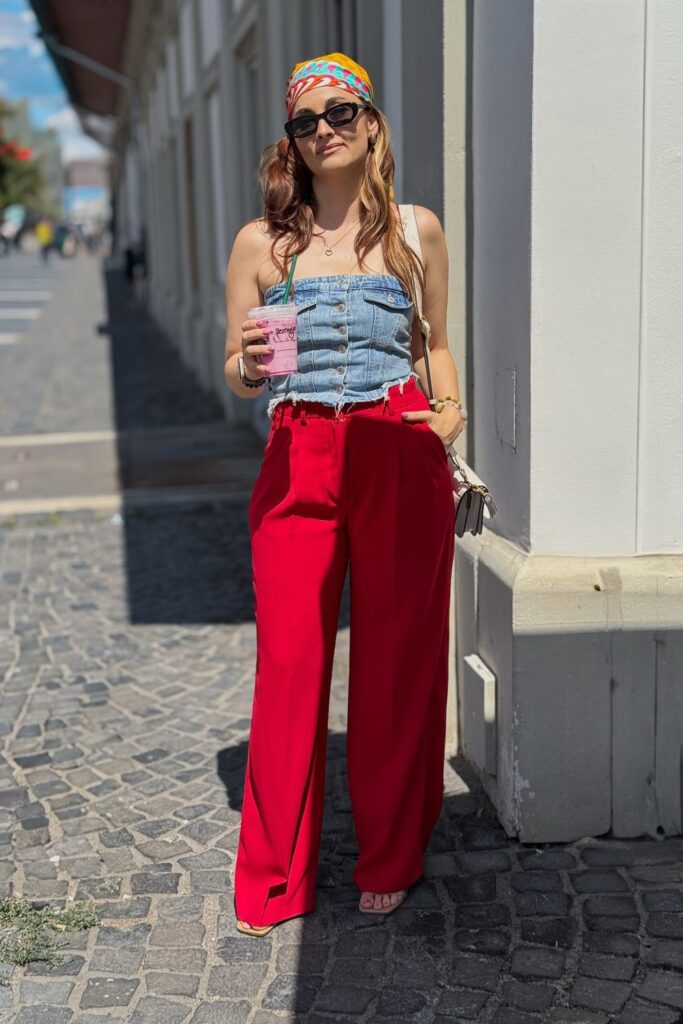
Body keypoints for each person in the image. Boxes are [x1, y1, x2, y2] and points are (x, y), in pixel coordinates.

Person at [224, 52, 466, 937]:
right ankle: (276, 874)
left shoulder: (415, 230)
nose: (323, 129)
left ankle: (390, 853)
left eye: (340, 112)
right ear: (289, 139)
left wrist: (446, 412)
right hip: (297, 455)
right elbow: (242, 369)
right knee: (289, 666)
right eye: (305, 121)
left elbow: (436, 339)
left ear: (371, 123)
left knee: (397, 660)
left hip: (395, 446)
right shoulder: (264, 243)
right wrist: (247, 366)